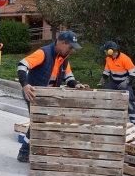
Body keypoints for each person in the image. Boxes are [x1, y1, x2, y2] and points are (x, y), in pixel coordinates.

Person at [16, 31, 90, 162]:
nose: (71, 50)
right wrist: (25, 85)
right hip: (33, 93)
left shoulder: (64, 58)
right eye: (70, 47)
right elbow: (22, 65)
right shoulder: (43, 53)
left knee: (41, 122)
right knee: (38, 122)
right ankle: (24, 153)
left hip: (48, 94)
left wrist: (76, 85)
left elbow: (68, 77)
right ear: (62, 43)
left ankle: (32, 151)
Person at [99, 41, 135, 125]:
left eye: (105, 50)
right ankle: (105, 120)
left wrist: (126, 82)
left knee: (129, 102)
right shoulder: (108, 59)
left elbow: (133, 72)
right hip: (113, 83)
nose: (104, 52)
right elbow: (107, 71)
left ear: (111, 51)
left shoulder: (125, 59)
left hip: (125, 84)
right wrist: (103, 78)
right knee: (104, 96)